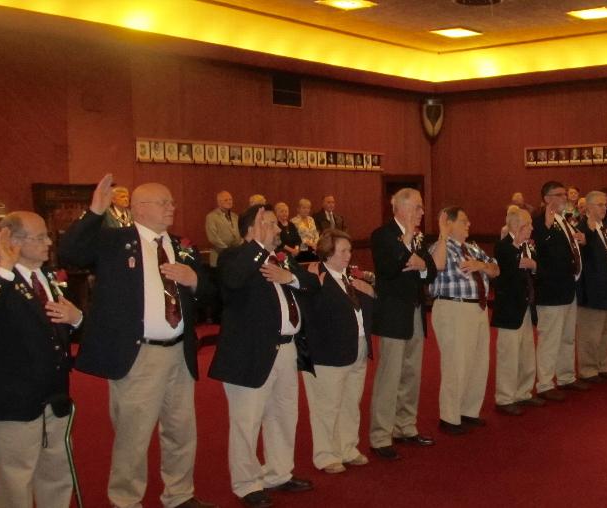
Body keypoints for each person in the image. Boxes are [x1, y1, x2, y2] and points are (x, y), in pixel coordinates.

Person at [59, 174, 216, 508]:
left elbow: (210, 293)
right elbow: (71, 252)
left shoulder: (180, 246)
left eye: (172, 202)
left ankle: (179, 495)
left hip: (179, 352)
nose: (172, 207)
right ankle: (126, 500)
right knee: (133, 436)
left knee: (181, 432)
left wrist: (195, 281)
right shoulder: (116, 242)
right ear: (140, 208)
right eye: (164, 202)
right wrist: (95, 211)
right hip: (139, 355)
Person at [208, 205, 318, 507]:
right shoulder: (234, 256)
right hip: (250, 352)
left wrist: (289, 277)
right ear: (251, 229)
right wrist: (257, 245)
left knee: (284, 415)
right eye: (269, 224)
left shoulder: (280, 259)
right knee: (247, 421)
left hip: (286, 349)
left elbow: (312, 284)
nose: (279, 230)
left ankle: (279, 473)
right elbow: (232, 281)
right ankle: (247, 484)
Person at [0, 212, 82, 508]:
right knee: (15, 481)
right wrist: (4, 265)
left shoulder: (49, 278)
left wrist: (77, 318)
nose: (48, 243)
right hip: (14, 403)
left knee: (56, 475)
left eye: (47, 236)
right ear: (13, 241)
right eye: (40, 237)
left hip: (54, 397)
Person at [368, 188, 438, 460]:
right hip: (393, 315)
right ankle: (380, 436)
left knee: (412, 374)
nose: (422, 212)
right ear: (402, 208)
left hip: (416, 312)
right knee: (390, 376)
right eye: (418, 207)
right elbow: (388, 268)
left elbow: (430, 269)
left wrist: (420, 263)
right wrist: (407, 241)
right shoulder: (382, 235)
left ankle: (405, 426)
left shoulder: (420, 238)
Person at [301, 229, 374, 474]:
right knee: (326, 407)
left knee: (351, 402)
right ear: (327, 253)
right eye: (343, 251)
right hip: (328, 353)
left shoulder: (348, 279)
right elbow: (312, 315)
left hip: (357, 347)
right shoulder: (316, 278)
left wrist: (371, 293)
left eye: (350, 250)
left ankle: (347, 448)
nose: (348, 255)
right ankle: (325, 455)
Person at [429, 207, 499, 435]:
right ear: (448, 223)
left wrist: (482, 266)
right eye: (463, 220)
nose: (469, 224)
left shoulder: (472, 248)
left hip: (478, 308)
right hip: (453, 307)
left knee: (479, 362)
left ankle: (469, 411)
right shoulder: (440, 247)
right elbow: (436, 265)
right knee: (456, 363)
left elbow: (496, 269)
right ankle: (449, 417)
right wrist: (441, 234)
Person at [532, 181, 589, 401]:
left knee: (567, 337)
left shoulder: (564, 220)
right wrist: (546, 227)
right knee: (550, 339)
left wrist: (580, 240)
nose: (565, 197)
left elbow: (566, 248)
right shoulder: (540, 222)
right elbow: (541, 247)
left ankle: (566, 377)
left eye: (565, 194)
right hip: (551, 289)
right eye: (560, 194)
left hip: (568, 286)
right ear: (547, 198)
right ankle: (545, 383)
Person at [491, 208, 541, 415]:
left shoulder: (526, 247)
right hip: (510, 308)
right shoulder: (504, 246)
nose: (531, 228)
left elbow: (536, 268)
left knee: (527, 354)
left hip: (526, 306)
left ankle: (524, 392)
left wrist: (532, 263)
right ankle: (505, 397)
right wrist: (527, 262)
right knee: (508, 356)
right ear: (514, 225)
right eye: (527, 224)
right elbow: (510, 269)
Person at [576, 191, 607, 379]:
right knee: (591, 334)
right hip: (592, 291)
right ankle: (588, 369)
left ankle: (601, 366)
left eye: (605, 204)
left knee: (606, 332)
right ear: (588, 207)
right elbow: (583, 254)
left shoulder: (603, 227)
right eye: (599, 204)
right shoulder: (582, 229)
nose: (604, 207)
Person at [205, 191, 242, 268]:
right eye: (226, 200)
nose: (229, 202)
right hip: (219, 257)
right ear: (219, 202)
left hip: (235, 258)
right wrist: (227, 251)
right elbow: (213, 238)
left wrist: (239, 249)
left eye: (230, 199)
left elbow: (240, 235)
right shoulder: (211, 217)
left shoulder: (236, 217)